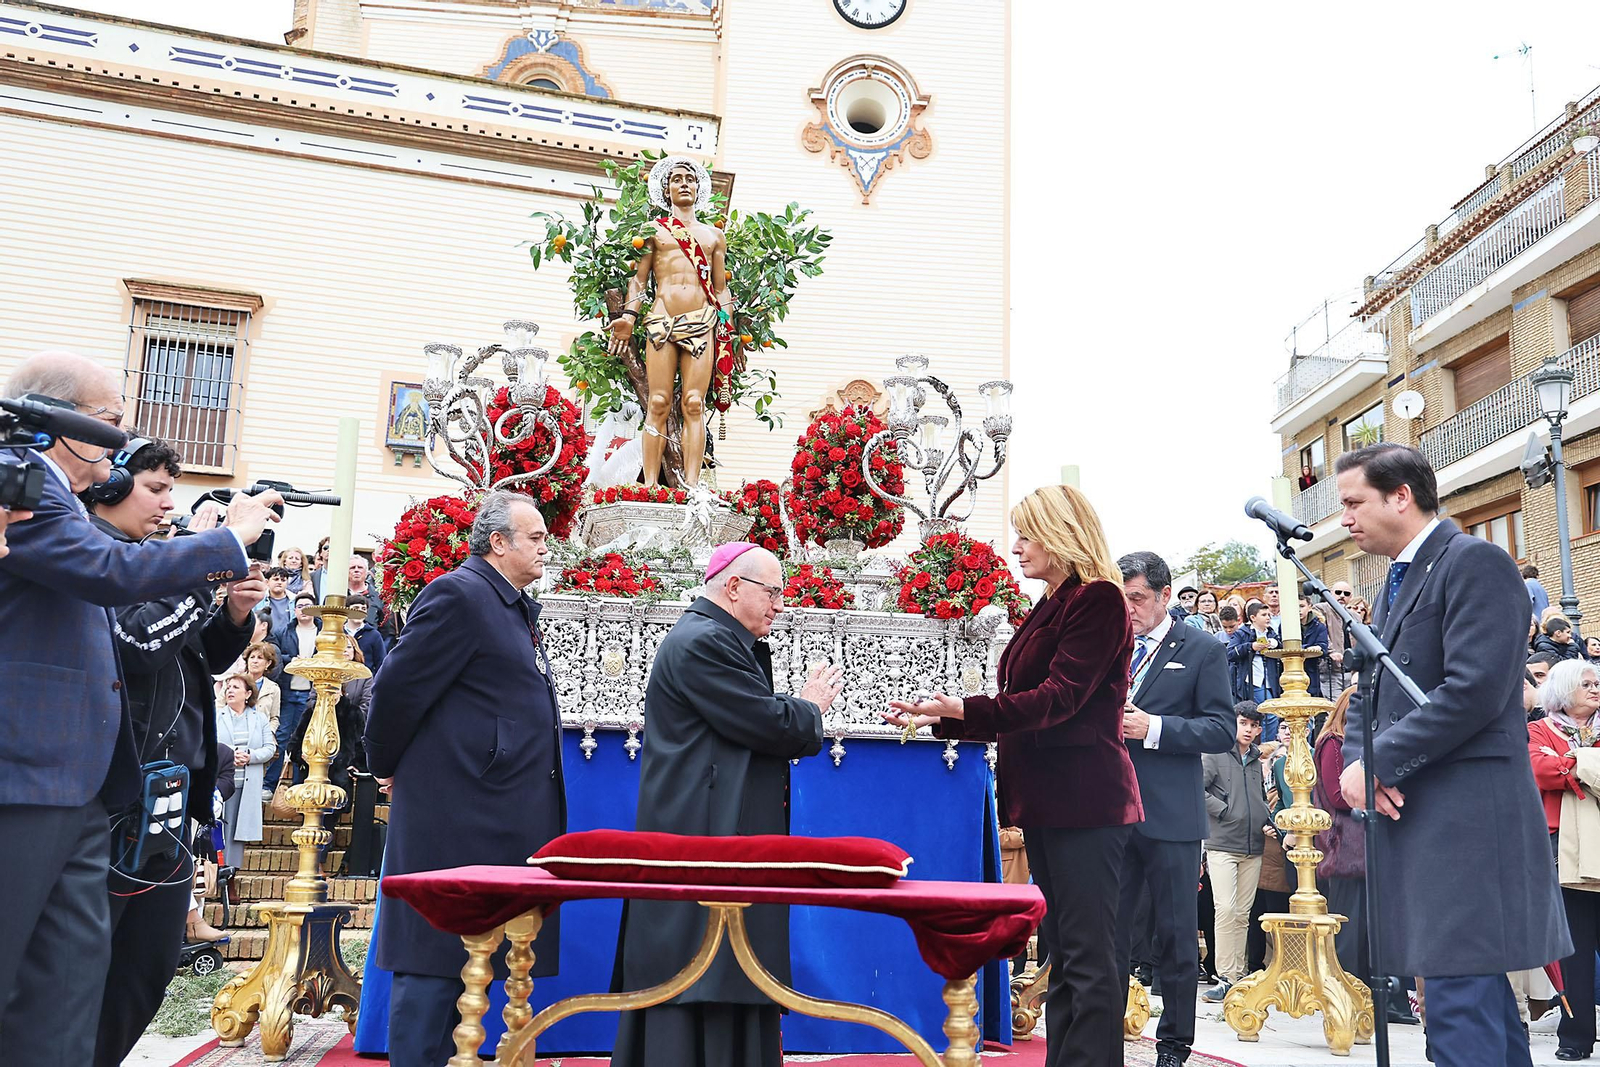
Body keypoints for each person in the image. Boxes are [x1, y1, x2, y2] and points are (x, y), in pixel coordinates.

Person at [0, 351, 279, 1065]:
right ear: (58, 422)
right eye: (111, 422)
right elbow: (111, 578)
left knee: (68, 986)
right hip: (26, 774)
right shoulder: (23, 485)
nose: (122, 441)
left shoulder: (54, 497)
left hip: (85, 781)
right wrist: (225, 540)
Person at [889, 485, 1142, 1067]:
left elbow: (1058, 699)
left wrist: (963, 710)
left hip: (1088, 801)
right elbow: (1024, 704)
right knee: (1064, 953)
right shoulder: (1054, 601)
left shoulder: (1098, 599)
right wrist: (948, 717)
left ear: (1061, 534)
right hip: (1052, 801)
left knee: (1088, 956)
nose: (1017, 546)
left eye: (1027, 533)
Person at [1335, 442, 1568, 1066]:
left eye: (1355, 502)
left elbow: (1475, 691)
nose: (1345, 519)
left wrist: (1380, 762)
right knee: (1465, 995)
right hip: (1424, 808)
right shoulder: (1397, 579)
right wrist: (1360, 766)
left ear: (1401, 496)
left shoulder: (1476, 563)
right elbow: (1372, 690)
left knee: (1461, 996)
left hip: (1467, 817)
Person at [612, 543, 839, 1067]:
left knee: (725, 962)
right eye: (773, 592)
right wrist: (808, 708)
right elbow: (762, 721)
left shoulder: (715, 637)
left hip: (712, 824)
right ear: (734, 587)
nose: (780, 605)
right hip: (702, 833)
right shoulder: (703, 641)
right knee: (699, 967)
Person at [80, 433, 266, 1066]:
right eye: (155, 489)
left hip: (171, 796)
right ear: (107, 487)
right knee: (90, 966)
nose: (167, 505)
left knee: (150, 966)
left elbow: (190, 659)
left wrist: (231, 618)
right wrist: (201, 565)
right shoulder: (97, 556)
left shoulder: (149, 559)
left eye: (170, 491)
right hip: (114, 801)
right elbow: (139, 645)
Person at [364, 490, 566, 1067]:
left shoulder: (509, 605)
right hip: (452, 816)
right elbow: (397, 689)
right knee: (432, 962)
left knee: (471, 966)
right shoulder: (459, 594)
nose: (545, 546)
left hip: (488, 810)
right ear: (497, 543)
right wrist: (388, 765)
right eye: (535, 537)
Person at [1112, 550, 1234, 1066]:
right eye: (1122, 599)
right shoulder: (1107, 646)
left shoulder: (1202, 648)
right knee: (1110, 933)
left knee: (1177, 934)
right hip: (1110, 812)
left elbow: (1222, 729)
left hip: (1171, 816)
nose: (1129, 609)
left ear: (1165, 596)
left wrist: (1154, 729)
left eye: (1137, 598)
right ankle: (1103, 1034)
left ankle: (1174, 1046)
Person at [609, 155, 734, 488]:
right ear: (666, 190)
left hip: (702, 322)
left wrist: (727, 331)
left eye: (689, 179)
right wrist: (627, 316)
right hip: (662, 319)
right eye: (676, 179)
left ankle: (694, 488)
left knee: (694, 403)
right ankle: (650, 486)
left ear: (698, 187)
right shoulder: (654, 232)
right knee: (659, 402)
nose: (684, 184)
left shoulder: (713, 237)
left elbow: (721, 290)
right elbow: (638, 280)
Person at [1529, 659, 1600, 1061]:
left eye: (1596, 682)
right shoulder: (1537, 730)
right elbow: (1541, 770)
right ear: (1562, 690)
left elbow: (1559, 768)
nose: (1595, 688)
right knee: (1574, 947)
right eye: (1585, 683)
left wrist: (1573, 764)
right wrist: (1588, 764)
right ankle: (1575, 1039)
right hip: (1563, 849)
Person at [1199, 703, 1268, 1002]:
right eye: (1244, 723)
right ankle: (1225, 976)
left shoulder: (1256, 759)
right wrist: (1225, 811)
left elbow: (1260, 798)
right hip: (1222, 843)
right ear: (1233, 723)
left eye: (1254, 725)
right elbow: (1195, 790)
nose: (1249, 730)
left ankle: (1237, 977)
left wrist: (1266, 818)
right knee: (1225, 909)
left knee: (1242, 913)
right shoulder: (1214, 754)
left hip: (1254, 845)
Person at [214, 674, 274, 869]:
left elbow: (270, 748)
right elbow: (208, 744)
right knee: (219, 826)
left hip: (247, 783)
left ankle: (231, 874)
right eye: (228, 687)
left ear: (248, 693)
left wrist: (250, 756)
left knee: (238, 832)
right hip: (223, 782)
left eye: (235, 687)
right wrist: (229, 755)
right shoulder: (217, 716)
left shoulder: (260, 718)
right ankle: (215, 871)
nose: (230, 691)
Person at [269, 590, 320, 786]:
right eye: (300, 606)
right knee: (282, 737)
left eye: (308, 606)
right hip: (288, 691)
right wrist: (293, 660)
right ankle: (271, 784)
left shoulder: (323, 633)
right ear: (294, 609)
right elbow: (275, 655)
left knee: (305, 740)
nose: (304, 610)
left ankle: (301, 785)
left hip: (311, 692)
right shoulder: (284, 631)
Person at [1227, 601, 1282, 739]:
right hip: (1253, 680)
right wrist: (1251, 646)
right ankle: (1264, 746)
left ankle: (1268, 744)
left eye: (1269, 614)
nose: (1268, 617)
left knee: (1268, 714)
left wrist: (1274, 644)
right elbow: (1230, 653)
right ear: (1253, 617)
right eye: (1263, 615)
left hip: (1270, 679)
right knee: (1269, 712)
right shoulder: (1242, 632)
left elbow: (1281, 646)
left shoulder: (1271, 633)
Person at [347, 592, 387, 674]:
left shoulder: (374, 635)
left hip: (365, 683)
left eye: (363, 609)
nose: (360, 611)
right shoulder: (339, 632)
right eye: (356, 608)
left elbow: (381, 663)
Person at [263, 566, 294, 633]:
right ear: (267, 582)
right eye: (276, 579)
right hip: (265, 639)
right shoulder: (259, 599)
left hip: (288, 638)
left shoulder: (294, 600)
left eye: (283, 580)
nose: (279, 582)